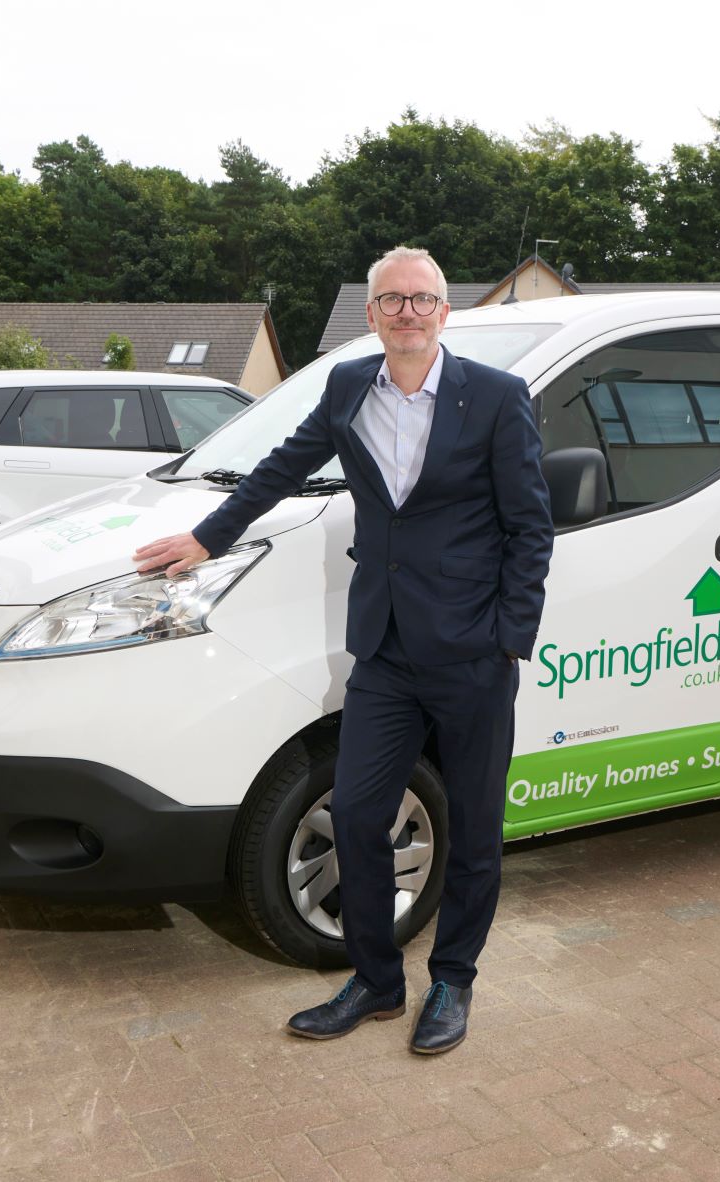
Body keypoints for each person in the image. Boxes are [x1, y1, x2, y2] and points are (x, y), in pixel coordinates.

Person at [134, 246, 553, 1054]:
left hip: (471, 651)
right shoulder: (346, 385)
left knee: (473, 829)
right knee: (357, 814)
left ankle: (453, 982)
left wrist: (509, 638)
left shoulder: (496, 397)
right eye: (391, 299)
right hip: (384, 647)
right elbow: (279, 469)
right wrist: (206, 537)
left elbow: (530, 527)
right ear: (371, 314)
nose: (407, 312)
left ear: (444, 312)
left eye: (421, 299)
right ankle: (375, 980)